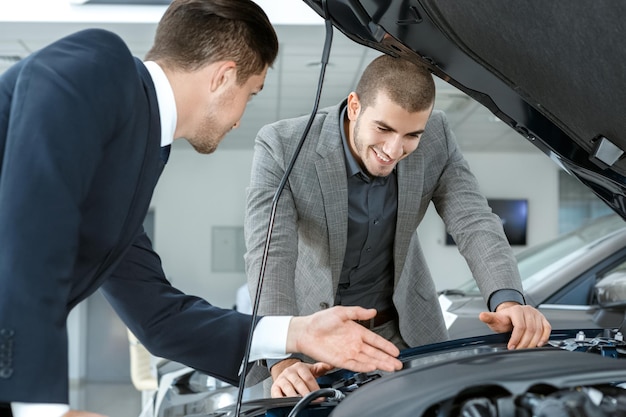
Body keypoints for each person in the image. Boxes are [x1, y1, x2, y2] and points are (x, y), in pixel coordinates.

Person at [0, 1, 403, 416]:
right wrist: (43, 409)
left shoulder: (134, 159)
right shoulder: (100, 61)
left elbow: (157, 316)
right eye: (251, 93)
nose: (241, 118)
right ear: (223, 77)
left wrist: (297, 333)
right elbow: (29, 231)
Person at [244, 54, 552, 398]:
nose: (394, 149)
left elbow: (474, 220)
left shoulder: (437, 137)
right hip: (311, 338)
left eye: (411, 135)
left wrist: (508, 301)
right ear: (355, 106)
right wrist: (282, 359)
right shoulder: (283, 146)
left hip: (400, 331)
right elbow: (271, 252)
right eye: (384, 129)